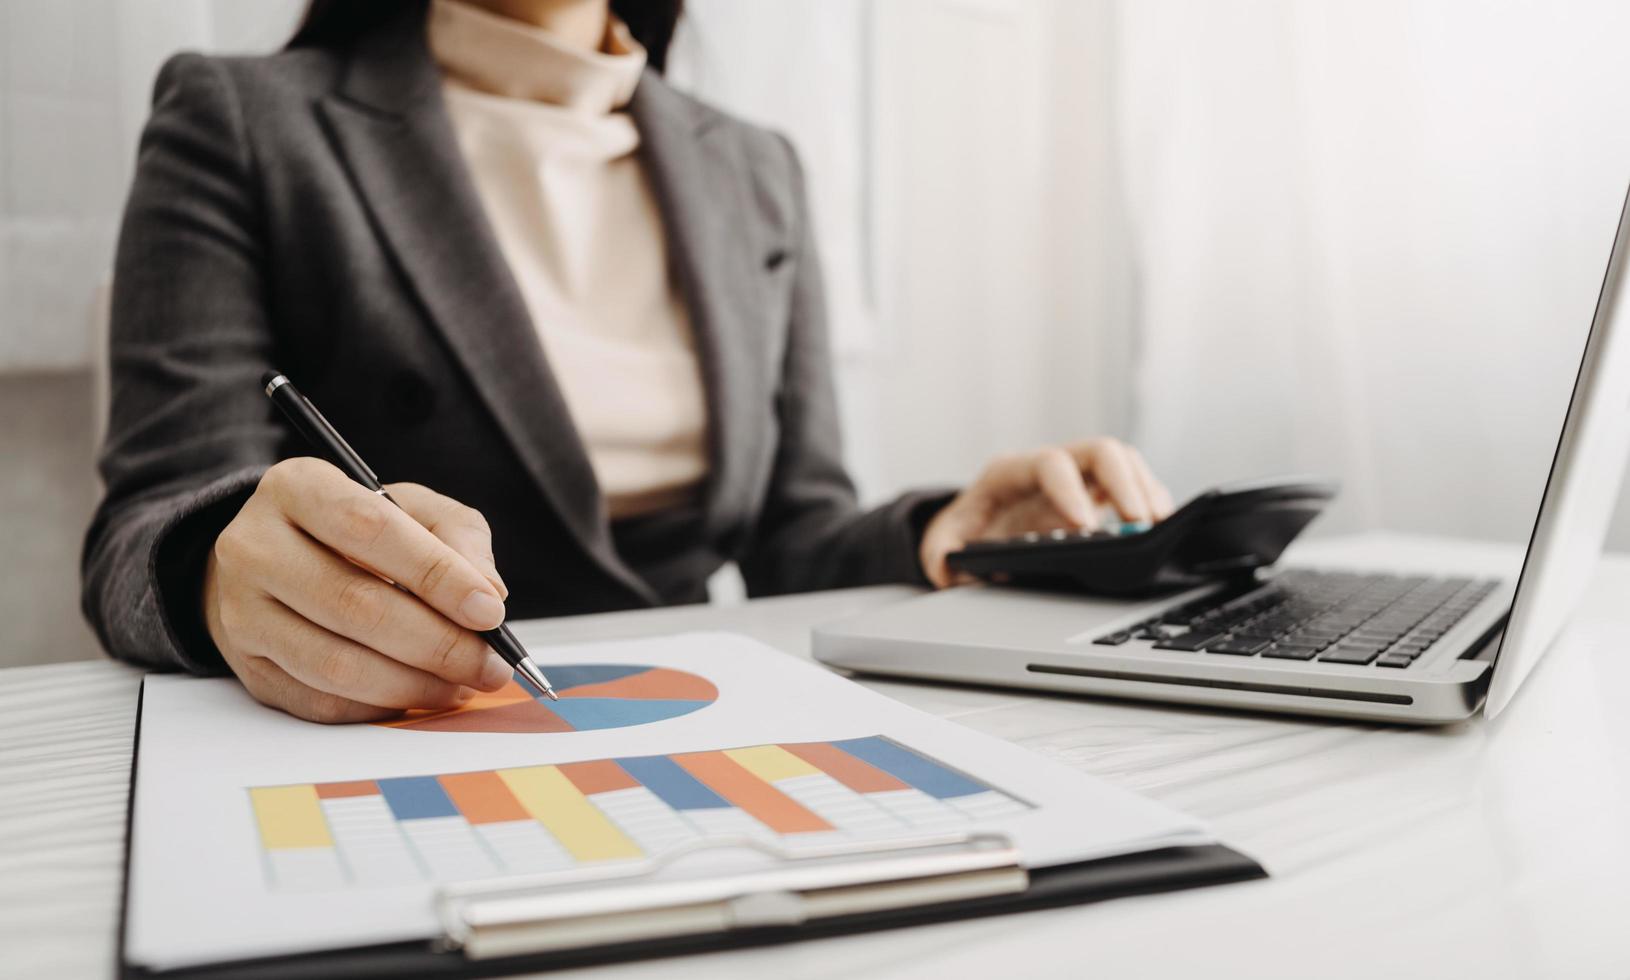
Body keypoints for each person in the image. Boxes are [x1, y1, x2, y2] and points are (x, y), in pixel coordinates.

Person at [82, 0, 1174, 723]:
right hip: (399, 726)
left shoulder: (753, 166)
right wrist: (219, 571)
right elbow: (143, 528)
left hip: (706, 715)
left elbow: (797, 534)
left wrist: (944, 528)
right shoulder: (241, 119)